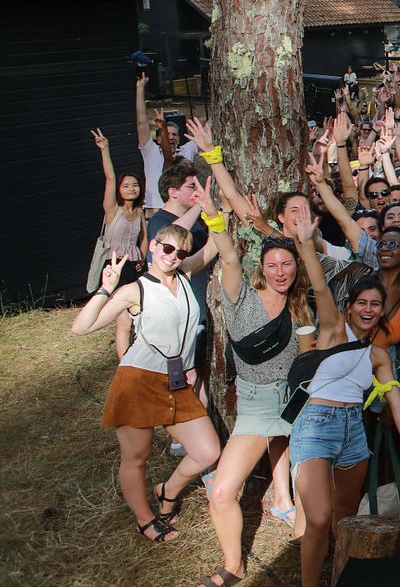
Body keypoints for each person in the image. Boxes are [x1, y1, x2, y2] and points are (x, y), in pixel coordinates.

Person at [288, 217, 400, 587]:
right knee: (318, 519)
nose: (368, 309)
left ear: (382, 310)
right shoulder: (334, 330)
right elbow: (320, 287)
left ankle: (341, 578)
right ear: (349, 308)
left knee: (344, 519)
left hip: (353, 433)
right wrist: (306, 244)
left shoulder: (379, 356)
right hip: (316, 424)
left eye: (375, 304)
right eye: (361, 302)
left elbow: (396, 403)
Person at [71, 218, 221, 545]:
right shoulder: (134, 290)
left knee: (208, 451)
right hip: (138, 379)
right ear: (153, 246)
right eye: (167, 248)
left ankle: (167, 491)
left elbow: (214, 244)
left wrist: (213, 211)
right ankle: (145, 520)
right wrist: (106, 287)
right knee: (136, 457)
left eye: (180, 252)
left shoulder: (184, 275)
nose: (173, 256)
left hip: (176, 380)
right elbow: (81, 328)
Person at [204, 217, 313, 585]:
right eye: (272, 265)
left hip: (293, 401)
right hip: (255, 406)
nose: (280, 272)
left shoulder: (300, 309)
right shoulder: (242, 299)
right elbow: (229, 257)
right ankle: (233, 566)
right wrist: (213, 217)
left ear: (296, 268)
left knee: (308, 480)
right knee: (221, 493)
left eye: (287, 264)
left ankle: (300, 537)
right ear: (262, 269)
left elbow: (306, 364)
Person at [90, 127, 146, 290]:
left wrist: (142, 259)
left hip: (134, 264)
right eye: (126, 186)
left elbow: (144, 238)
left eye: (135, 185)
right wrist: (104, 149)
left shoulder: (139, 211)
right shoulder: (113, 209)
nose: (132, 189)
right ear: (119, 190)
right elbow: (110, 178)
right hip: (113, 264)